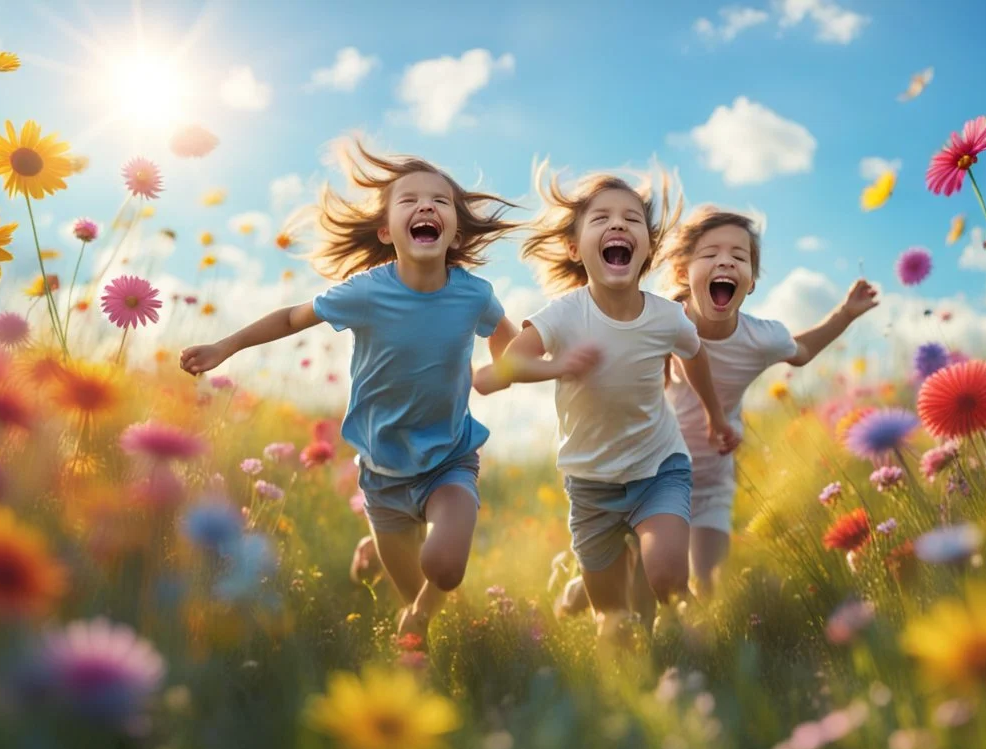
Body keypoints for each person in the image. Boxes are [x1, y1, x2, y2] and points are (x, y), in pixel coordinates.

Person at [180, 139, 519, 638]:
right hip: (382, 471)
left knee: (443, 570)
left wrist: (503, 372)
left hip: (450, 457)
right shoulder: (367, 291)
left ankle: (420, 618)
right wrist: (225, 346)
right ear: (387, 231)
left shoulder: (473, 294)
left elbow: (505, 338)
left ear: (454, 230)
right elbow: (293, 317)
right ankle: (382, 559)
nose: (426, 206)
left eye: (440, 201)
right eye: (410, 200)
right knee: (410, 582)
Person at [474, 165, 738, 638]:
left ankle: (682, 631)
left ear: (647, 249)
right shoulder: (563, 315)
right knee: (612, 621)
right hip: (591, 483)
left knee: (668, 579)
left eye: (631, 219)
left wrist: (715, 417)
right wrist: (557, 366)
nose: (618, 225)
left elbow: (694, 357)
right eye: (601, 219)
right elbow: (511, 366)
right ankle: (596, 588)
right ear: (576, 248)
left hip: (658, 468)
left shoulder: (668, 318)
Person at [661, 206, 878, 596]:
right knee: (663, 581)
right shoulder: (664, 322)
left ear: (752, 283)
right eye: (710, 254)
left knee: (708, 587)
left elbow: (802, 350)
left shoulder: (761, 338)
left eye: (738, 256)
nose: (725, 260)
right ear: (682, 273)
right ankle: (593, 584)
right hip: (655, 477)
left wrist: (846, 313)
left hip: (712, 480)